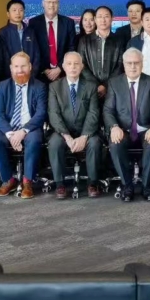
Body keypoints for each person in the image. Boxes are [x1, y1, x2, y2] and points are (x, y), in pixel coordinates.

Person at [103, 48, 150, 202]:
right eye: (129, 63)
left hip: (146, 129)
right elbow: (108, 110)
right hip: (123, 129)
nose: (133, 66)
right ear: (124, 64)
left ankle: (147, 185)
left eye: (136, 63)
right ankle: (127, 185)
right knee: (115, 144)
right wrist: (114, 127)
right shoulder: (114, 83)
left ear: (142, 64)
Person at [0, 51, 47, 198]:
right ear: (11, 68)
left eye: (23, 66)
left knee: (34, 140)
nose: (20, 70)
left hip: (30, 127)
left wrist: (23, 131)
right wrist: (10, 134)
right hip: (7, 128)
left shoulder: (39, 86)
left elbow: (41, 113)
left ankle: (28, 182)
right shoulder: (2, 86)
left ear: (30, 67)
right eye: (16, 66)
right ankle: (8, 180)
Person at [47, 51, 102, 199]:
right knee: (54, 143)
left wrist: (84, 137)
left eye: (76, 64)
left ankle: (92, 183)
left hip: (86, 131)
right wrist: (67, 137)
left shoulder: (91, 86)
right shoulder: (54, 87)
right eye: (69, 64)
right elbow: (54, 114)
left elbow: (93, 113)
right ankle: (60, 184)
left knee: (95, 143)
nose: (73, 67)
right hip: (62, 132)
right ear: (63, 66)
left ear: (82, 66)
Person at [28, 0, 76, 84]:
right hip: (40, 75)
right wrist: (45, 70)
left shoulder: (68, 22)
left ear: (59, 4)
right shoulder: (33, 23)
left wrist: (59, 68)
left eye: (55, 2)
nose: (51, 5)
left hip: (63, 74)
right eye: (48, 2)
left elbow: (71, 48)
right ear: (43, 3)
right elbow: (33, 49)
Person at [77, 5, 123, 98]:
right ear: (95, 19)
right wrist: (96, 85)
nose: (103, 20)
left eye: (106, 16)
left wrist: (105, 85)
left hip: (113, 88)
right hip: (89, 88)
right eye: (100, 16)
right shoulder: (84, 40)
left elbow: (120, 65)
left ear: (112, 18)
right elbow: (81, 64)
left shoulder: (119, 40)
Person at [0, 0, 41, 74]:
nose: (18, 13)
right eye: (14, 10)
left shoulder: (30, 32)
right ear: (8, 14)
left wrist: (33, 73)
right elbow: (3, 59)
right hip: (10, 75)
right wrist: (13, 75)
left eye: (21, 10)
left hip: (30, 75)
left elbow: (37, 55)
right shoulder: (2, 33)